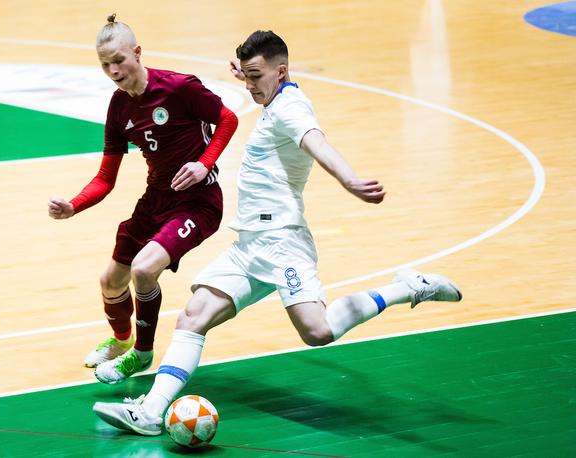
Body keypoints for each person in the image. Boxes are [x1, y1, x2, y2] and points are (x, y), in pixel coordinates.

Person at [92, 30, 462, 435]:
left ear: (280, 72)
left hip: (283, 243)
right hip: (249, 243)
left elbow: (315, 141)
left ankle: (409, 287)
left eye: (255, 77)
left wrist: (349, 179)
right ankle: (149, 412)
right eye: (245, 76)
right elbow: (265, 87)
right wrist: (249, 76)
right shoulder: (275, 94)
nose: (248, 86)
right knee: (192, 317)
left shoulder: (292, 109)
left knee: (317, 331)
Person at [48, 14, 238, 383]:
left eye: (119, 60)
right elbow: (106, 178)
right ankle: (122, 340)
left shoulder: (180, 88)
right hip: (155, 201)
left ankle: (142, 353)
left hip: (198, 202)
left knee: (143, 269)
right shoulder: (119, 108)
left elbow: (228, 119)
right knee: (110, 282)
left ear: (137, 52)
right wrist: (74, 205)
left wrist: (203, 164)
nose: (114, 70)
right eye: (105, 65)